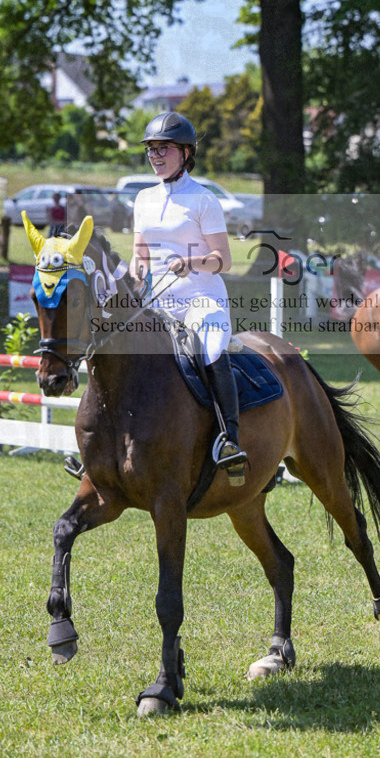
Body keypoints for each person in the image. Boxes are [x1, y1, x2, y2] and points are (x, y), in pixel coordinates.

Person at [131, 111, 248, 484]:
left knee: (210, 349)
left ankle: (230, 440)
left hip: (201, 298)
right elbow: (140, 254)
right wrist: (135, 272)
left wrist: (191, 262)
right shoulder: (143, 199)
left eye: (163, 149)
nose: (155, 156)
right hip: (158, 303)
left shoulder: (204, 199)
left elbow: (224, 260)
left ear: (185, 152)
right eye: (151, 149)